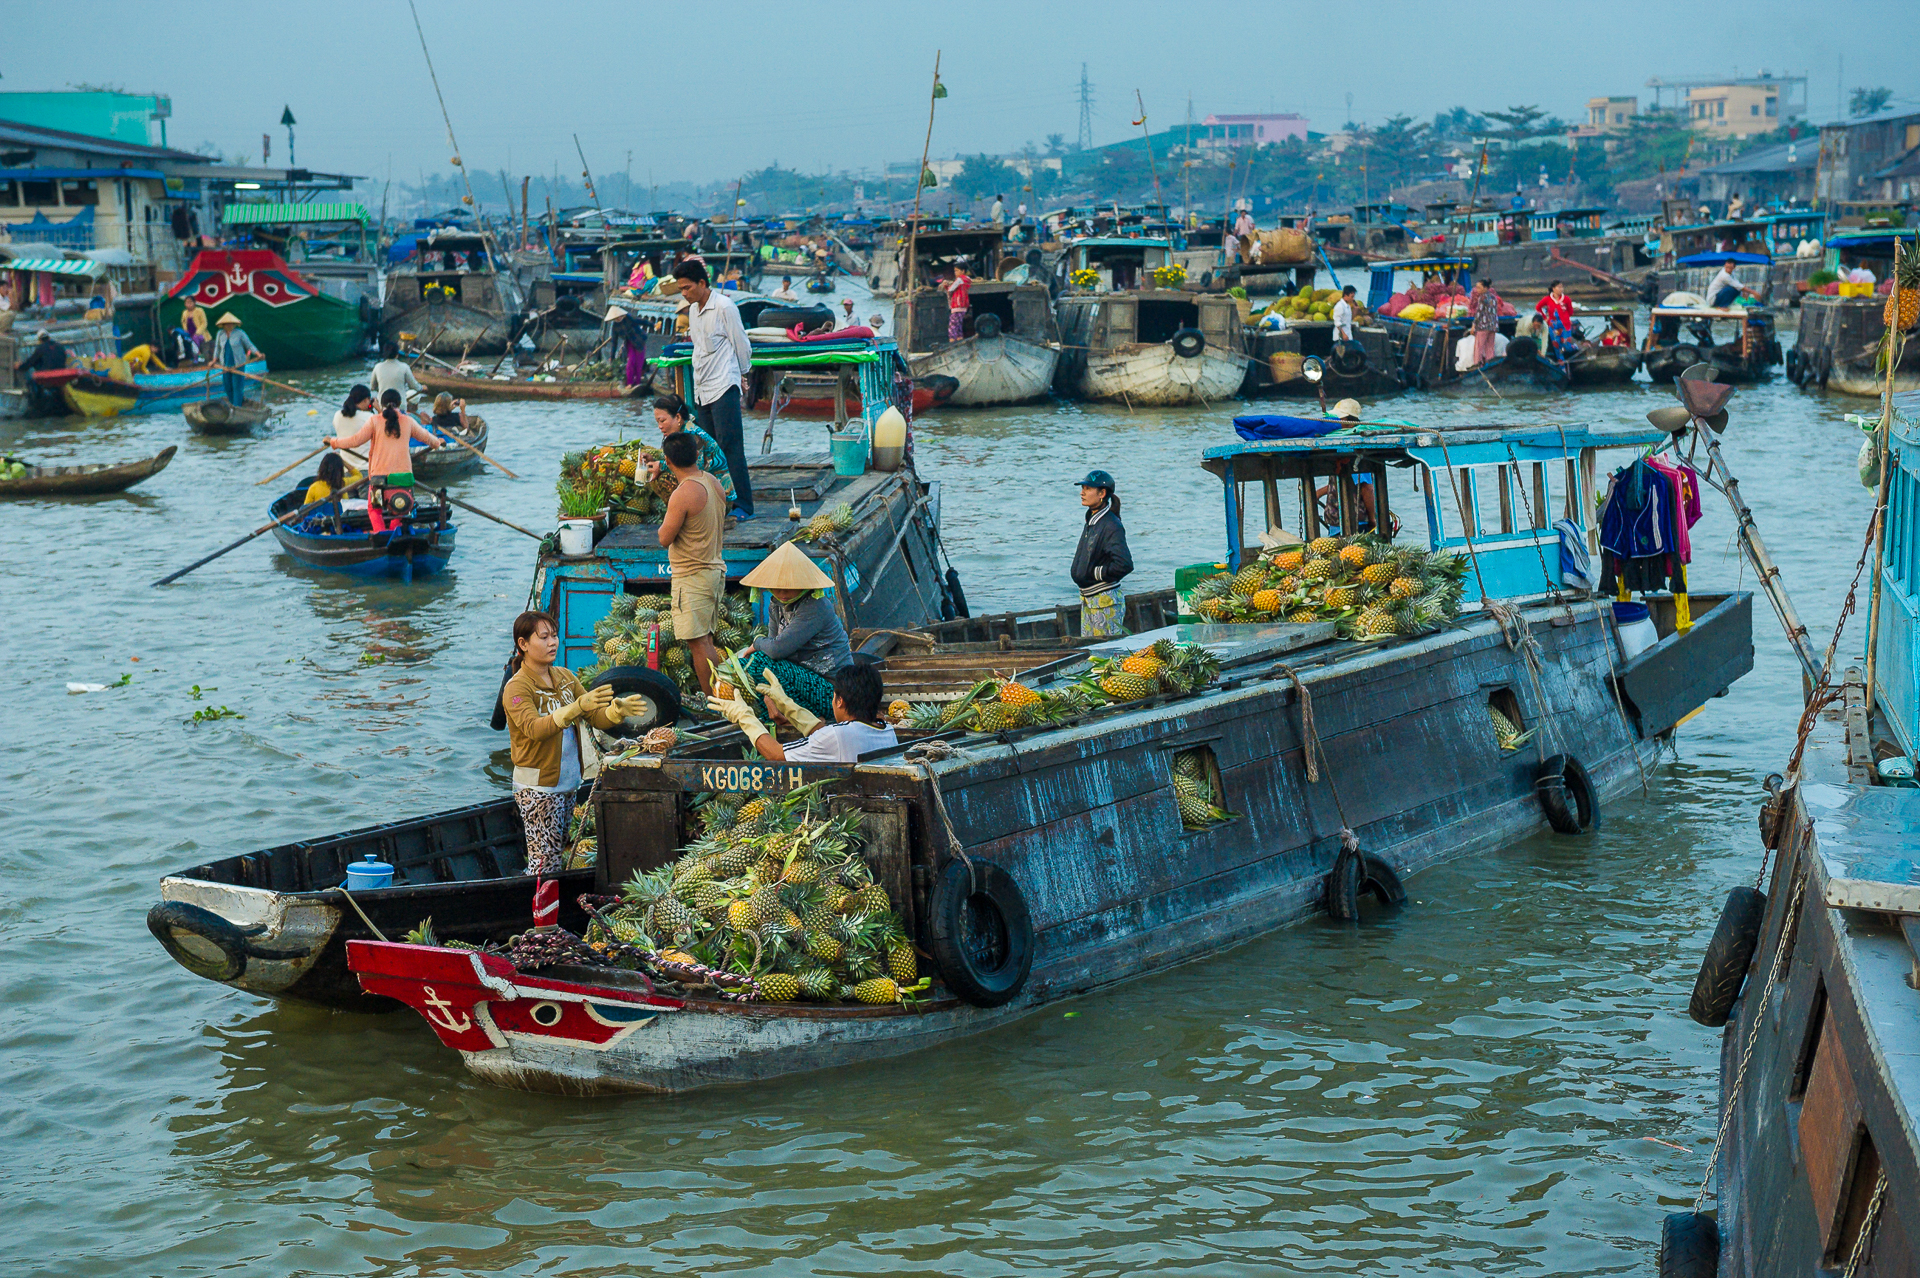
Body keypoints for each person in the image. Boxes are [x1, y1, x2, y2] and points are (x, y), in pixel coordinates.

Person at [500, 610, 647, 875]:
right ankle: (538, 911)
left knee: (557, 854)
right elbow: (535, 729)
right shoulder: (517, 687)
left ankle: (549, 905)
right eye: (543, 637)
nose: (552, 642)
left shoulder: (565, 677)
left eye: (554, 636)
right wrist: (574, 708)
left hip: (568, 782)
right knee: (544, 863)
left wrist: (616, 712)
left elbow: (594, 716)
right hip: (538, 788)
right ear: (523, 644)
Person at [731, 541, 852, 723]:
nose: (782, 592)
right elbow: (773, 651)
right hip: (802, 679)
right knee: (749, 665)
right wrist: (768, 695)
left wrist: (756, 643)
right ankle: (781, 714)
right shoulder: (775, 605)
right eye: (777, 586)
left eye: (789, 586)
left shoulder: (814, 606)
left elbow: (776, 649)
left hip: (834, 692)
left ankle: (813, 717)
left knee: (758, 662)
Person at [674, 259, 755, 519]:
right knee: (709, 449)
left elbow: (741, 343)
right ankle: (717, 502)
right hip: (704, 388)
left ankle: (744, 504)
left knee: (731, 445)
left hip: (724, 384)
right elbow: (698, 351)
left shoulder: (724, 307)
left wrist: (743, 373)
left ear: (702, 283)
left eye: (687, 288)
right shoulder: (694, 312)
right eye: (681, 290)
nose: (684, 294)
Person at [651, 429, 727, 694]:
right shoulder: (712, 481)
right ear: (697, 455)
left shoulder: (683, 494)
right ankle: (720, 695)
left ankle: (713, 700)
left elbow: (664, 537)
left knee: (698, 644)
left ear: (668, 462)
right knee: (705, 640)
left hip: (693, 575)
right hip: (714, 570)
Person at [708, 660, 896, 764]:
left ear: (839, 701)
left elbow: (776, 754)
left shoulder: (838, 736)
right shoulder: (886, 729)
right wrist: (786, 704)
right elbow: (824, 735)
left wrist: (744, 716)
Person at [325, 389, 443, 534]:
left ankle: (381, 534)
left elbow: (355, 441)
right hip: (403, 480)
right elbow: (428, 438)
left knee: (375, 510)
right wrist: (438, 442)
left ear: (381, 404)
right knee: (400, 510)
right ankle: (394, 532)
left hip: (378, 481)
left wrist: (333, 442)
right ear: (400, 404)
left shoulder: (374, 421)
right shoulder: (408, 421)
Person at [647, 392, 737, 508]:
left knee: (665, 479)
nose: (659, 426)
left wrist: (661, 466)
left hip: (720, 500)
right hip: (705, 489)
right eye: (657, 422)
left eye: (662, 421)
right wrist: (654, 460)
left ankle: (684, 517)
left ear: (678, 417)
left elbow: (692, 470)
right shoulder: (681, 433)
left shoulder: (692, 436)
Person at [1071, 470, 1132, 638]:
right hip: (1088, 599)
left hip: (1105, 601)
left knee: (1106, 654)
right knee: (1091, 654)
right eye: (1082, 488)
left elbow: (1124, 564)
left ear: (1102, 493)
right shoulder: (1093, 520)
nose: (1082, 493)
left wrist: (1095, 572)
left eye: (1088, 488)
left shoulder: (1111, 524)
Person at [210, 314, 261, 406]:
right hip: (225, 366)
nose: (229, 326)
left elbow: (249, 345)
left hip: (238, 365)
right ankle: (232, 404)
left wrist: (258, 354)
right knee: (227, 386)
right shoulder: (220, 334)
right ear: (223, 325)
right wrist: (214, 360)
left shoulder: (240, 333)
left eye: (231, 324)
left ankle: (237, 406)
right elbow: (217, 348)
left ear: (234, 324)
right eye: (227, 324)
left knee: (237, 387)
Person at [369, 340, 424, 408]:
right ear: (397, 354)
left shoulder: (377, 367)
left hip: (382, 405)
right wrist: (422, 388)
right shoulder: (404, 367)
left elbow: (372, 387)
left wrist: (382, 389)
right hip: (400, 406)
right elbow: (414, 386)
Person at [1469, 280, 1498, 368]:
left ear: (1485, 288)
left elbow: (1479, 313)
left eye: (1479, 288)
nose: (1477, 290)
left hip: (1483, 326)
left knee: (1478, 347)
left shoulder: (1482, 298)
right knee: (1490, 348)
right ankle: (1490, 366)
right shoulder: (1493, 297)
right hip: (1493, 325)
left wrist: (1474, 325)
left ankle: (1477, 365)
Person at [942, 266, 971, 341]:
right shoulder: (967, 280)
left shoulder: (959, 279)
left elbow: (951, 289)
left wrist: (945, 285)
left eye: (957, 270)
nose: (955, 273)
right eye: (955, 271)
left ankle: (952, 342)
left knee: (952, 326)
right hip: (963, 305)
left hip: (957, 305)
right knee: (959, 325)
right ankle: (959, 341)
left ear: (963, 271)